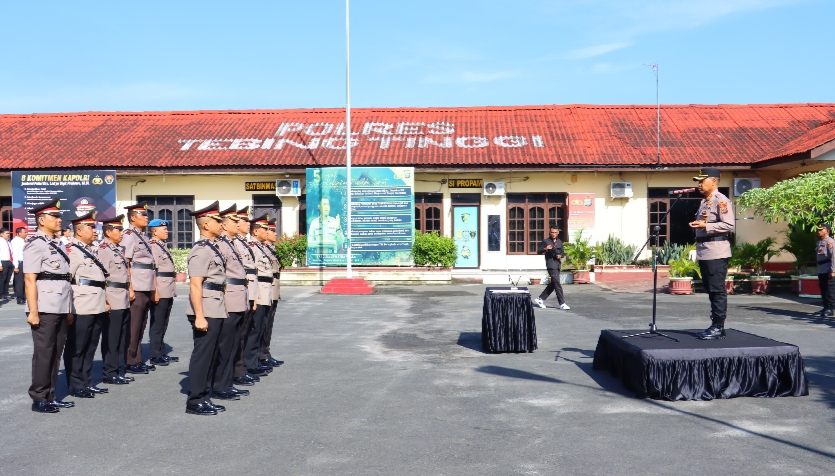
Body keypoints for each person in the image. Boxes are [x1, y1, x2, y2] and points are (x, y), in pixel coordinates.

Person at [24, 199, 74, 413]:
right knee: (44, 353)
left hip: (61, 306)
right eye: (55, 217)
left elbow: (64, 280)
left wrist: (69, 310)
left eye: (59, 216)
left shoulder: (58, 243)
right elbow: (29, 280)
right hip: (44, 307)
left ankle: (51, 395)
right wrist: (33, 311)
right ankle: (39, 397)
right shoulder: (36, 244)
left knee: (56, 352)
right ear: (42, 220)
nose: (59, 220)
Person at [185, 201, 228, 416]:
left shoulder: (213, 248)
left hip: (216, 306)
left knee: (212, 355)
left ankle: (205, 395)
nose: (221, 224)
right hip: (206, 309)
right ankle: (195, 400)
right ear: (205, 225)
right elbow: (195, 284)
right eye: (217, 221)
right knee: (203, 355)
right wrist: (199, 316)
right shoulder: (201, 250)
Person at [63, 212, 110, 399]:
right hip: (81, 304)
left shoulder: (91, 249)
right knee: (78, 346)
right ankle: (75, 384)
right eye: (91, 227)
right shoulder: (72, 251)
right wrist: (68, 309)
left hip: (96, 303)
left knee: (91, 346)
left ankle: (87, 381)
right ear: (80, 231)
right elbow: (67, 281)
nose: (94, 230)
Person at [689, 167, 735, 340]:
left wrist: (705, 226)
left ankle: (718, 326)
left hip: (716, 251)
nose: (699, 185)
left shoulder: (721, 200)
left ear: (714, 181)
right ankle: (715, 324)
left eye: (702, 181)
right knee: (710, 289)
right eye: (698, 182)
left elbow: (729, 225)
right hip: (705, 251)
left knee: (717, 290)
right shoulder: (705, 201)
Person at [213, 205, 250, 400]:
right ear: (225, 225)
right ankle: (220, 385)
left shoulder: (233, 243)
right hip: (228, 298)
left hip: (238, 297)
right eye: (234, 222)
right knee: (225, 344)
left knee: (234, 343)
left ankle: (227, 382)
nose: (239, 224)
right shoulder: (220, 244)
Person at [96, 214, 134, 386]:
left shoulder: (118, 249)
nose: (121, 233)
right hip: (112, 295)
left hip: (123, 295)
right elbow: (101, 277)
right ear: (108, 231)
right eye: (118, 230)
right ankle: (110, 372)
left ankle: (120, 369)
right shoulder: (103, 250)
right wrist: (104, 300)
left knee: (121, 336)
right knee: (112, 337)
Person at [121, 202, 157, 374]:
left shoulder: (142, 236)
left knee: (141, 324)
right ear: (133, 218)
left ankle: (137, 357)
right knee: (134, 325)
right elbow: (126, 262)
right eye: (142, 215)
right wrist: (130, 287)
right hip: (137, 284)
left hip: (146, 284)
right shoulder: (129, 235)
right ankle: (130, 359)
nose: (146, 217)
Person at [231, 206, 261, 387]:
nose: (247, 224)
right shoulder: (234, 243)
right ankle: (238, 369)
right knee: (240, 334)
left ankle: (241, 367)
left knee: (245, 331)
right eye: (242, 221)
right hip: (239, 291)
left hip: (247, 289)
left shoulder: (242, 243)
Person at [243, 214, 275, 378]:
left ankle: (255, 360)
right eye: (265, 229)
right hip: (259, 289)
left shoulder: (261, 247)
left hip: (266, 289)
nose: (268, 231)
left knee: (261, 326)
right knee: (254, 329)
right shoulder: (252, 247)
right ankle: (250, 362)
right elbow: (250, 272)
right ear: (256, 231)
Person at [148, 219, 179, 366]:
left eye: (166, 229)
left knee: (164, 322)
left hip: (168, 287)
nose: (166, 231)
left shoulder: (162, 246)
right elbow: (153, 270)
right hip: (160, 287)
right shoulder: (153, 246)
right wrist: (155, 290)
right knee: (158, 322)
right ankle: (155, 354)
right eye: (163, 229)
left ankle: (161, 351)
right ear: (154, 231)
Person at [261, 219, 283, 368]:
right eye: (272, 230)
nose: (275, 233)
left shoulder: (269, 248)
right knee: (263, 324)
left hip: (273, 288)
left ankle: (265, 353)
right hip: (265, 290)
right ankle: (261, 355)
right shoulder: (260, 248)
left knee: (268, 324)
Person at [534, 226, 570, 310]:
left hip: (557, 264)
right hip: (551, 265)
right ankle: (562, 303)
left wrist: (560, 255)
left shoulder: (559, 242)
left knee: (554, 283)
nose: (553, 234)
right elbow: (539, 251)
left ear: (558, 232)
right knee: (557, 283)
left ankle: (540, 299)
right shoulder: (546, 241)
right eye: (552, 232)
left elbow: (562, 253)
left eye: (555, 232)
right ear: (549, 232)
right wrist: (546, 249)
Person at [815, 223, 835, 317]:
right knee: (823, 289)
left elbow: (833, 257)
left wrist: (833, 270)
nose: (819, 231)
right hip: (821, 269)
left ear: (827, 230)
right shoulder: (820, 242)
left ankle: (831, 309)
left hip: (828, 269)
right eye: (818, 230)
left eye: (821, 230)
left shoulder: (830, 242)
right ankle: (826, 307)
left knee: (830, 289)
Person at [12, 227, 27, 304]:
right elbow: (15, 254)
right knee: (19, 282)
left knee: (25, 281)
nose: (26, 233)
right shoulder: (15, 241)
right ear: (19, 233)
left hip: (25, 262)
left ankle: (24, 297)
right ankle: (20, 298)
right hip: (19, 263)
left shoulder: (23, 241)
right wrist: (16, 267)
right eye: (24, 232)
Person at [0, 227, 13, 300]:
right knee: (2, 279)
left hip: (9, 262)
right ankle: (1, 294)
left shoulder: (8, 242)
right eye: (6, 233)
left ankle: (5, 293)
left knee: (8, 279)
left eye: (9, 233)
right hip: (3, 262)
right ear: (1, 234)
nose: (8, 235)